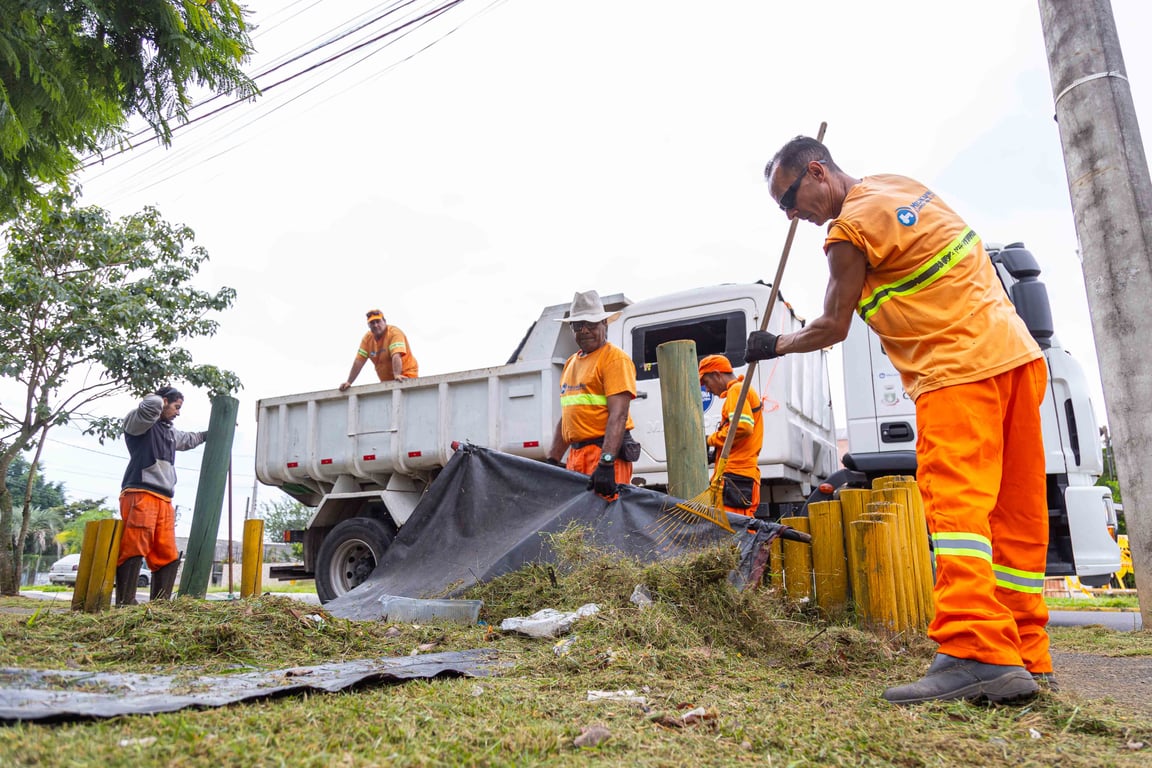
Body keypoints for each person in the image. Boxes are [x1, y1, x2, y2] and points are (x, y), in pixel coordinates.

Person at [746, 136, 1048, 705]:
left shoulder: (846, 232)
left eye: (789, 197)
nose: (790, 214)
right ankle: (1024, 651)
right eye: (782, 209)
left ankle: (974, 652)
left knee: (958, 517)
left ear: (817, 171)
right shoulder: (900, 187)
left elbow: (834, 326)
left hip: (956, 372)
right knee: (1014, 515)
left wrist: (775, 342)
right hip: (1015, 356)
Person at [116, 387, 208, 605]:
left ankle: (160, 605)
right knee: (135, 546)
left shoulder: (169, 431)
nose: (178, 413)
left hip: (164, 498)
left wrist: (210, 433)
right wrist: (159, 399)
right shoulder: (138, 422)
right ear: (164, 402)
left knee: (166, 552)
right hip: (140, 493)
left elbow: (189, 439)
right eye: (176, 407)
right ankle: (125, 602)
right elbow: (150, 406)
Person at [545, 290, 638, 499]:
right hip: (577, 456)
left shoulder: (614, 360)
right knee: (579, 523)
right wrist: (552, 459)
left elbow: (619, 415)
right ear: (572, 328)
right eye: (578, 325)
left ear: (604, 323)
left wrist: (606, 462)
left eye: (591, 324)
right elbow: (568, 417)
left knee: (606, 522)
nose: (585, 330)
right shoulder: (571, 363)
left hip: (603, 453)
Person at [698, 354, 764, 516]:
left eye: (706, 382)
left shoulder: (736, 390)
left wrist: (710, 440)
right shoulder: (742, 389)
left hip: (736, 476)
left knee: (734, 532)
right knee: (740, 529)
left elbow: (742, 427)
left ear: (717, 374)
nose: (707, 389)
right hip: (740, 476)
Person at [339, 309, 419, 390]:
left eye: (378, 321)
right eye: (372, 323)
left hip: (405, 376)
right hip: (386, 381)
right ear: (368, 325)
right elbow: (359, 362)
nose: (375, 325)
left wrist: (397, 375)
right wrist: (349, 382)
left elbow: (396, 355)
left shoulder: (394, 333)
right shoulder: (367, 339)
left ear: (384, 321)